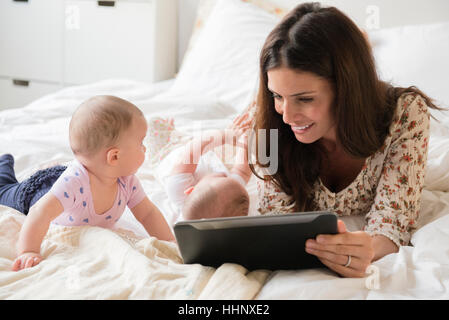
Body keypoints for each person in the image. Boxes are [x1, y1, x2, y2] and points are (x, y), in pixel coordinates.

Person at [248, 2, 445, 278]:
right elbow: (275, 219)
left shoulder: (406, 114)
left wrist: (370, 249)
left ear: (347, 88)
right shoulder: (269, 122)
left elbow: (393, 222)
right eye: (277, 96)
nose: (288, 116)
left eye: (305, 99)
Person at [0, 95, 175, 271]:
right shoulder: (74, 184)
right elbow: (40, 212)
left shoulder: (127, 181)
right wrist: (28, 251)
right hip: (37, 191)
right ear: (114, 156)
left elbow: (148, 214)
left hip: (65, 183)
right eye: (141, 143)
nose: (144, 148)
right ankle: (4, 164)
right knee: (4, 190)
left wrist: (169, 242)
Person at [164, 113, 252, 221]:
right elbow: (242, 171)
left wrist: (225, 136)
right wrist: (245, 141)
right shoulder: (230, 189)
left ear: (190, 190)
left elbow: (191, 151)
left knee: (155, 125)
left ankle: (169, 130)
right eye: (227, 178)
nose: (225, 175)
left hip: (167, 152)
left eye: (222, 178)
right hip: (208, 155)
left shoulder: (178, 189)